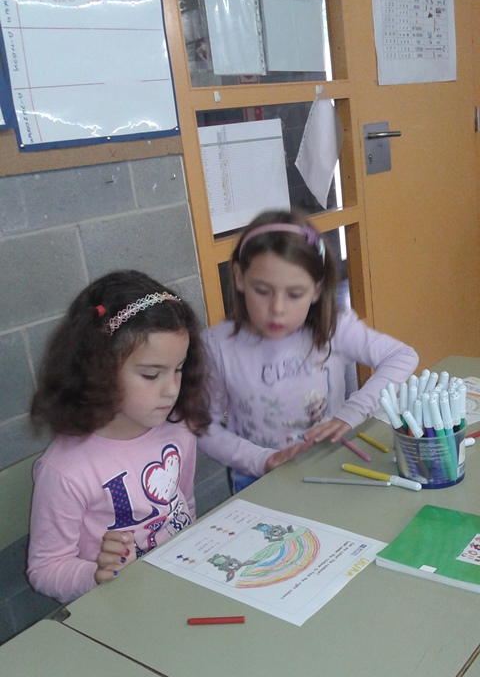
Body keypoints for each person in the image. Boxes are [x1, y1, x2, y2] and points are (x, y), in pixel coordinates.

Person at [198, 209, 418, 493]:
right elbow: (203, 425)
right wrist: (261, 459)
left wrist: (352, 411)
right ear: (239, 277)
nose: (277, 309)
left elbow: (401, 356)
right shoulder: (218, 345)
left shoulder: (334, 327)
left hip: (329, 466)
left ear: (316, 290)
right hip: (258, 479)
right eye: (262, 291)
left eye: (295, 294)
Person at [27, 269, 210, 604]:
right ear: (99, 370)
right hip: (120, 606)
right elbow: (45, 568)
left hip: (181, 587)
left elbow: (184, 504)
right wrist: (97, 574)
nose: (172, 389)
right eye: (151, 375)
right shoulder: (65, 470)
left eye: (179, 369)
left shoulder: (178, 428)